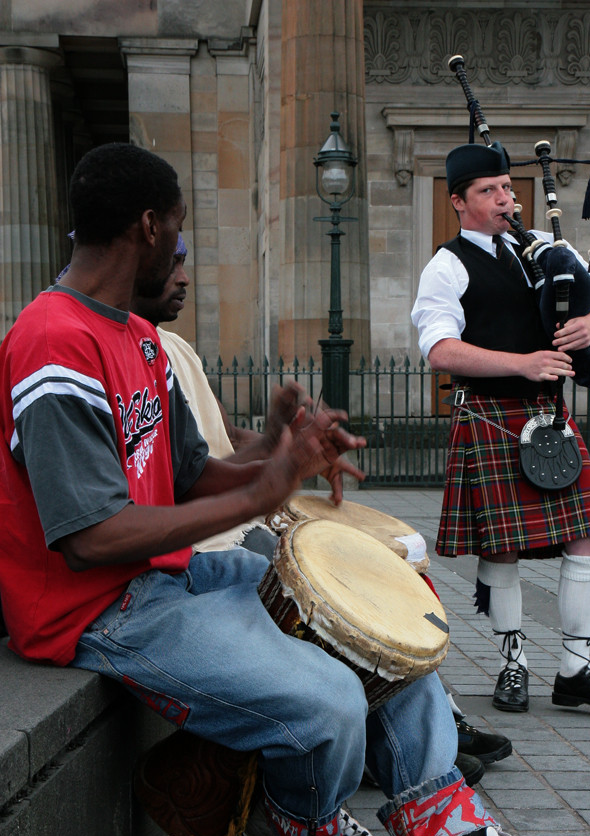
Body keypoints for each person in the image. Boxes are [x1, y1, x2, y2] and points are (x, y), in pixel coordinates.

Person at [0, 142, 588, 836]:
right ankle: (303, 826)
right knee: (330, 701)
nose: (181, 253)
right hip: (97, 609)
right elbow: (93, 538)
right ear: (147, 226)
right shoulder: (52, 342)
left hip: (166, 577)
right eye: (176, 234)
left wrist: (275, 451)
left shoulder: (137, 339)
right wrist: (270, 486)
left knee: (377, 626)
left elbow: (186, 473)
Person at [131, 241, 513, 784]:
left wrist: (278, 441)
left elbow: (212, 449)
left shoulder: (173, 348)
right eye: (173, 261)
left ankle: (423, 744)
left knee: (376, 569)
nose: (186, 277)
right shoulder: (126, 353)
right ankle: (407, 755)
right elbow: (183, 481)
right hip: (204, 544)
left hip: (233, 524)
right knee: (332, 590)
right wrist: (270, 479)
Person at [412, 141, 590, 715]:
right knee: (504, 546)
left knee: (589, 535)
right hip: (491, 414)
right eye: (489, 191)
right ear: (459, 201)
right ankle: (512, 665)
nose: (504, 199)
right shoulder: (447, 266)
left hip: (549, 417)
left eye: (508, 189)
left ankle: (576, 670)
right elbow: (440, 350)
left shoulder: (542, 246)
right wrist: (523, 363)